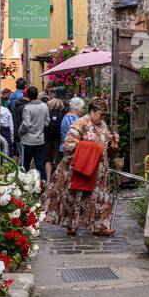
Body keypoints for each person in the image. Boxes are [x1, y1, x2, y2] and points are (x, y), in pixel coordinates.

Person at [43, 98, 119, 237]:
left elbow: (105, 144)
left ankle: (100, 226)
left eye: (104, 115)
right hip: (84, 168)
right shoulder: (80, 123)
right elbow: (68, 144)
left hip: (100, 169)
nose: (103, 118)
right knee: (78, 197)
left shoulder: (103, 125)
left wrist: (112, 142)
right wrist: (92, 146)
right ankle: (72, 225)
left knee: (101, 197)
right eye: (101, 114)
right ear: (92, 111)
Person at [18, 86, 48, 178]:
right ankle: (42, 183)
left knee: (25, 164)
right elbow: (47, 121)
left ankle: (25, 184)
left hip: (28, 140)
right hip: (40, 140)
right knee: (39, 164)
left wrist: (20, 131)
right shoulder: (44, 106)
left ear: (27, 96)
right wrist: (40, 127)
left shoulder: (27, 108)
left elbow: (26, 124)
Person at [43, 97, 66, 181]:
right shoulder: (63, 113)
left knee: (47, 158)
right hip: (58, 138)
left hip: (48, 137)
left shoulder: (48, 112)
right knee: (57, 159)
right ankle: (57, 179)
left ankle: (48, 179)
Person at [0, 88, 14, 156]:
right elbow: (11, 125)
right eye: (9, 94)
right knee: (7, 150)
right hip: (5, 130)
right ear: (5, 94)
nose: (9, 96)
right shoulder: (6, 109)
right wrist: (12, 137)